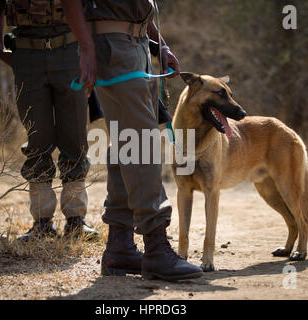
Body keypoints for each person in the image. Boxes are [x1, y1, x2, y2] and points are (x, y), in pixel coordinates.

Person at [64, 0, 204, 281]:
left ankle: (120, 245)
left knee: (128, 143)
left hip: (136, 43)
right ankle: (155, 248)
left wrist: (158, 43)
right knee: (142, 144)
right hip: (113, 45)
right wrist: (86, 46)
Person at [0, 0, 98, 241]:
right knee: (37, 138)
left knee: (75, 136)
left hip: (69, 50)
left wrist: (89, 47)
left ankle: (76, 220)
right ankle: (41, 222)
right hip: (28, 54)